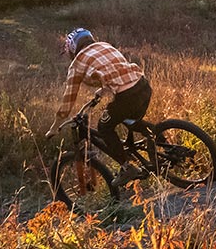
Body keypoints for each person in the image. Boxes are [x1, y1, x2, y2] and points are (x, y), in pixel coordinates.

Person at [54, 28, 151, 163]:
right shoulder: (104, 45)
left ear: (72, 47)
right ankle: (161, 139)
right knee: (129, 119)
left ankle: (126, 167)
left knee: (104, 128)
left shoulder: (76, 64)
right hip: (143, 85)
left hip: (127, 96)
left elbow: (68, 99)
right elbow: (116, 71)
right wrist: (104, 89)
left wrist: (54, 127)